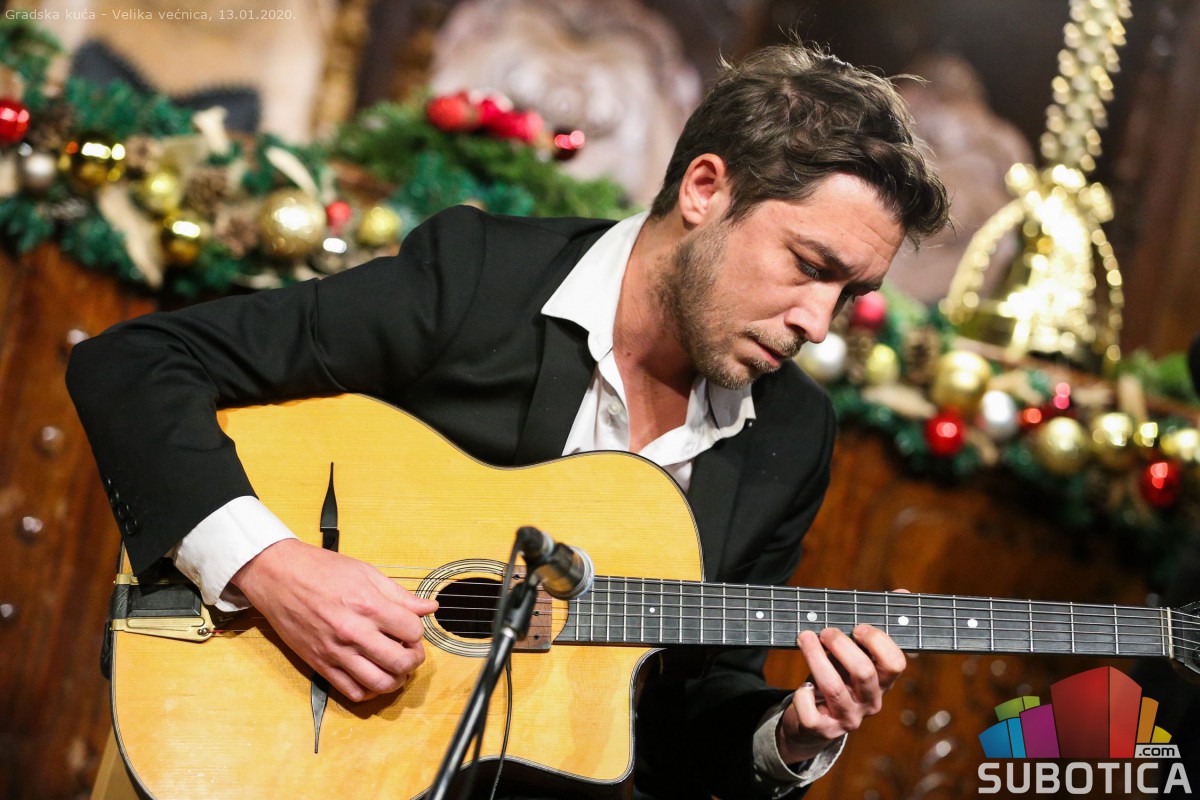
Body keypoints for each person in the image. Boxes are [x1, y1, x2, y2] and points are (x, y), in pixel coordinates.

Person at [67, 42, 950, 799]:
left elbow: (688, 714)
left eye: (851, 293)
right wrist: (270, 567)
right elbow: (135, 364)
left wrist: (788, 736)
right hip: (289, 750)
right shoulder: (479, 281)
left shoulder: (792, 434)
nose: (818, 323)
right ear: (705, 189)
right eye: (809, 265)